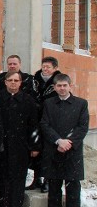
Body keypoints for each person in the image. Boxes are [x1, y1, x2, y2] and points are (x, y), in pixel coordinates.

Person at [40, 74, 89, 207]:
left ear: (70, 86)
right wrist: (58, 141)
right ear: (54, 87)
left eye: (64, 85)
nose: (61, 88)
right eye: (58, 86)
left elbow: (82, 127)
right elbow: (44, 124)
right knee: (54, 188)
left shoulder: (81, 104)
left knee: (73, 190)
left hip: (72, 153)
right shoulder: (48, 103)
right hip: (54, 151)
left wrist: (68, 142)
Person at [0, 70, 40, 207]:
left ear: (20, 83)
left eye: (16, 80)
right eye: (10, 80)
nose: (13, 83)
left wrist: (34, 146)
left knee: (18, 180)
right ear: (5, 82)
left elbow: (34, 125)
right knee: (2, 178)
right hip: (2, 146)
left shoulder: (28, 101)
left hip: (20, 147)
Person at [31, 56, 62, 193]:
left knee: (49, 152)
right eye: (44, 66)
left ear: (55, 68)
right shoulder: (35, 79)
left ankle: (48, 181)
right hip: (36, 120)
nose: (45, 69)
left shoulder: (59, 81)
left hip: (51, 121)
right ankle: (36, 178)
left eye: (48, 67)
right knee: (35, 149)